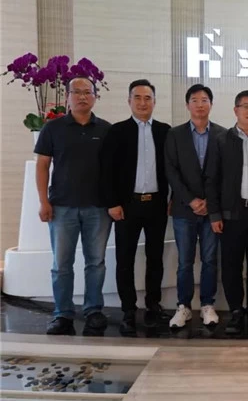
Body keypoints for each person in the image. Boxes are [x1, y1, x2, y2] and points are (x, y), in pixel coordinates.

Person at [35, 77, 112, 336]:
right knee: (61, 264)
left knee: (96, 262)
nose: (82, 96)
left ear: (95, 97)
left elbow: (114, 170)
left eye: (87, 92)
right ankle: (63, 314)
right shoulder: (53, 128)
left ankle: (93, 311)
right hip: (62, 207)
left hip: (98, 208)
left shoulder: (106, 129)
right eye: (76, 92)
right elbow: (42, 166)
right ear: (67, 96)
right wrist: (43, 201)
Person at [100, 79, 171, 336]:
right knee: (125, 259)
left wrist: (172, 198)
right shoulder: (117, 131)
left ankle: (153, 304)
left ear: (154, 101)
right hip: (126, 206)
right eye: (137, 98)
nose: (142, 103)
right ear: (129, 101)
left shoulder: (165, 131)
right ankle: (128, 310)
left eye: (147, 98)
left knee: (155, 258)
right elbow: (106, 170)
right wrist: (112, 203)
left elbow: (173, 168)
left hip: (156, 204)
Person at [205, 90, 248, 336]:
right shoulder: (221, 140)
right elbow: (211, 180)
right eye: (246, 106)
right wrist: (214, 214)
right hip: (231, 216)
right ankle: (236, 311)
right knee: (231, 266)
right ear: (236, 110)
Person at [164, 84, 226, 329]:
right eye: (195, 100)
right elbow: (171, 171)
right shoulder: (175, 134)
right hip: (184, 209)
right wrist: (191, 200)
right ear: (187, 104)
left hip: (212, 210)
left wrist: (210, 202)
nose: (200, 104)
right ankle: (184, 306)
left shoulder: (222, 135)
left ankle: (208, 304)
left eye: (204, 100)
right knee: (185, 261)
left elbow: (226, 174)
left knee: (210, 259)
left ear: (211, 104)